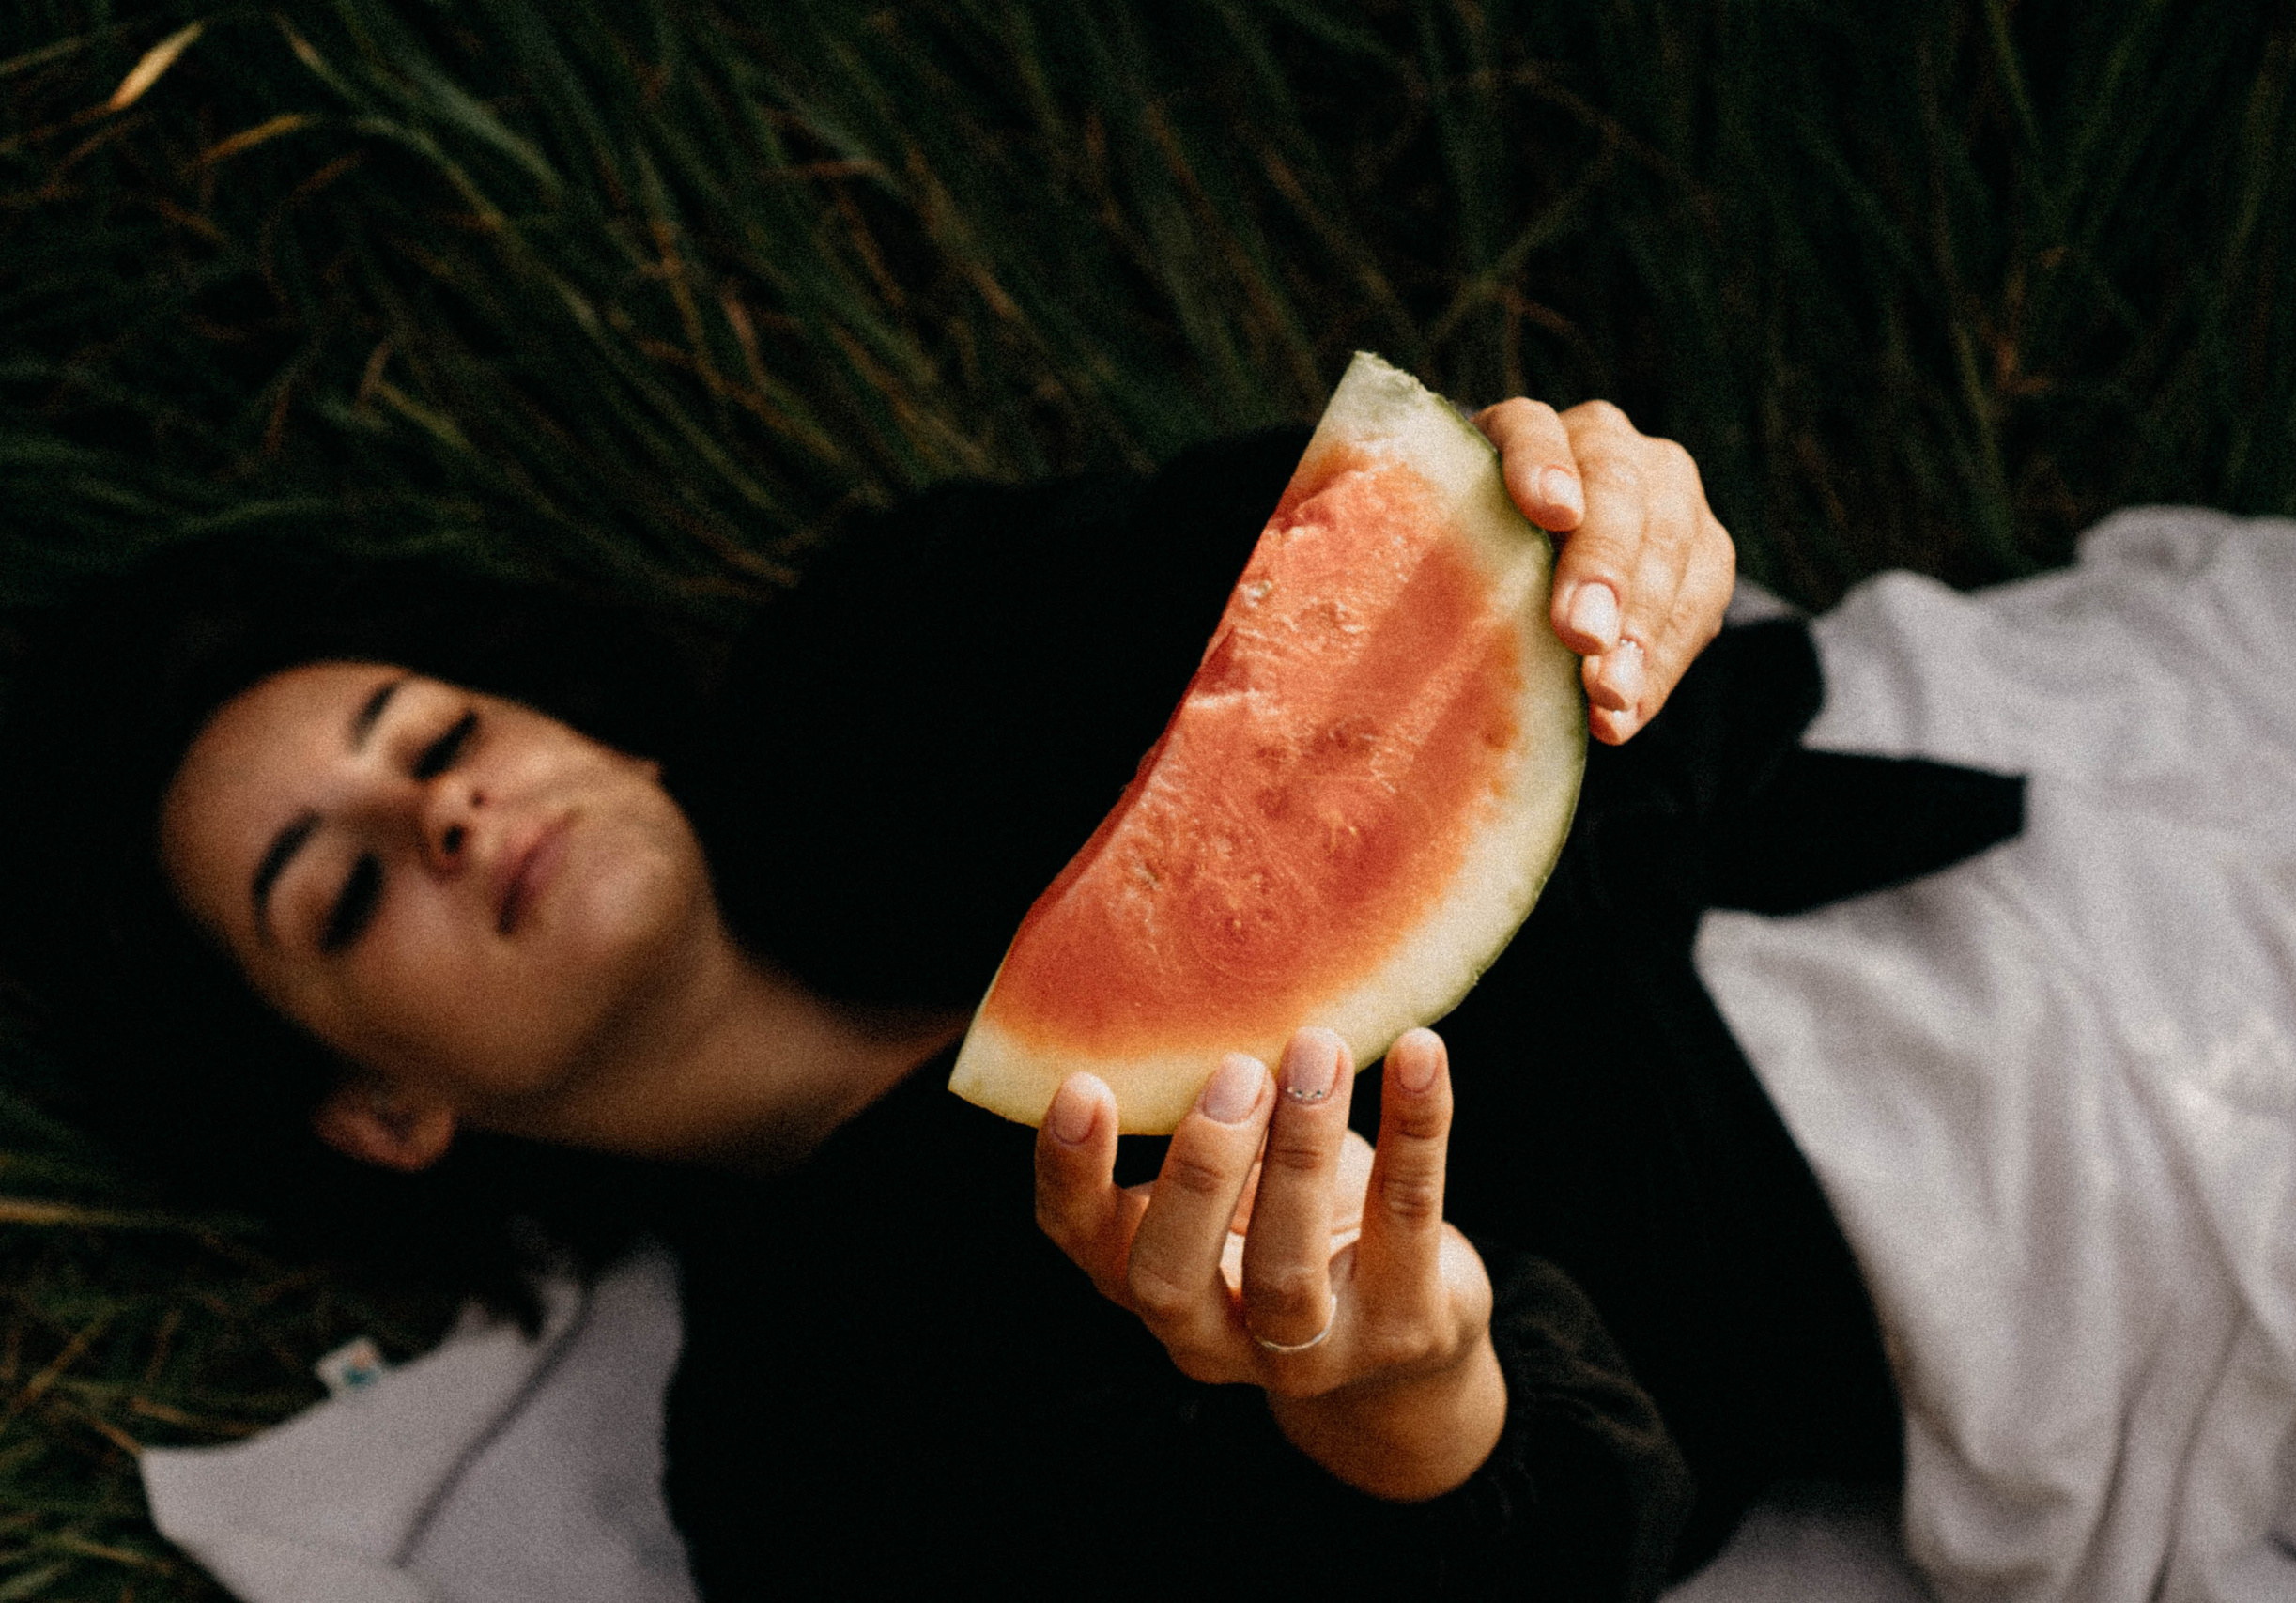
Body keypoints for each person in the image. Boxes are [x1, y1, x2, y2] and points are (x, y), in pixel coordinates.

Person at [0, 399, 2026, 1597]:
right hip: (1970, 1255)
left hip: (1962, 800)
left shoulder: (891, 658)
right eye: (342, 889)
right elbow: (1557, 1537)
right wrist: (1406, 1412)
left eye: (426, 724)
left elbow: (1357, 539)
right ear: (379, 1108)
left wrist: (1572, 496)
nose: (438, 806)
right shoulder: (807, 1457)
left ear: (580, 726)